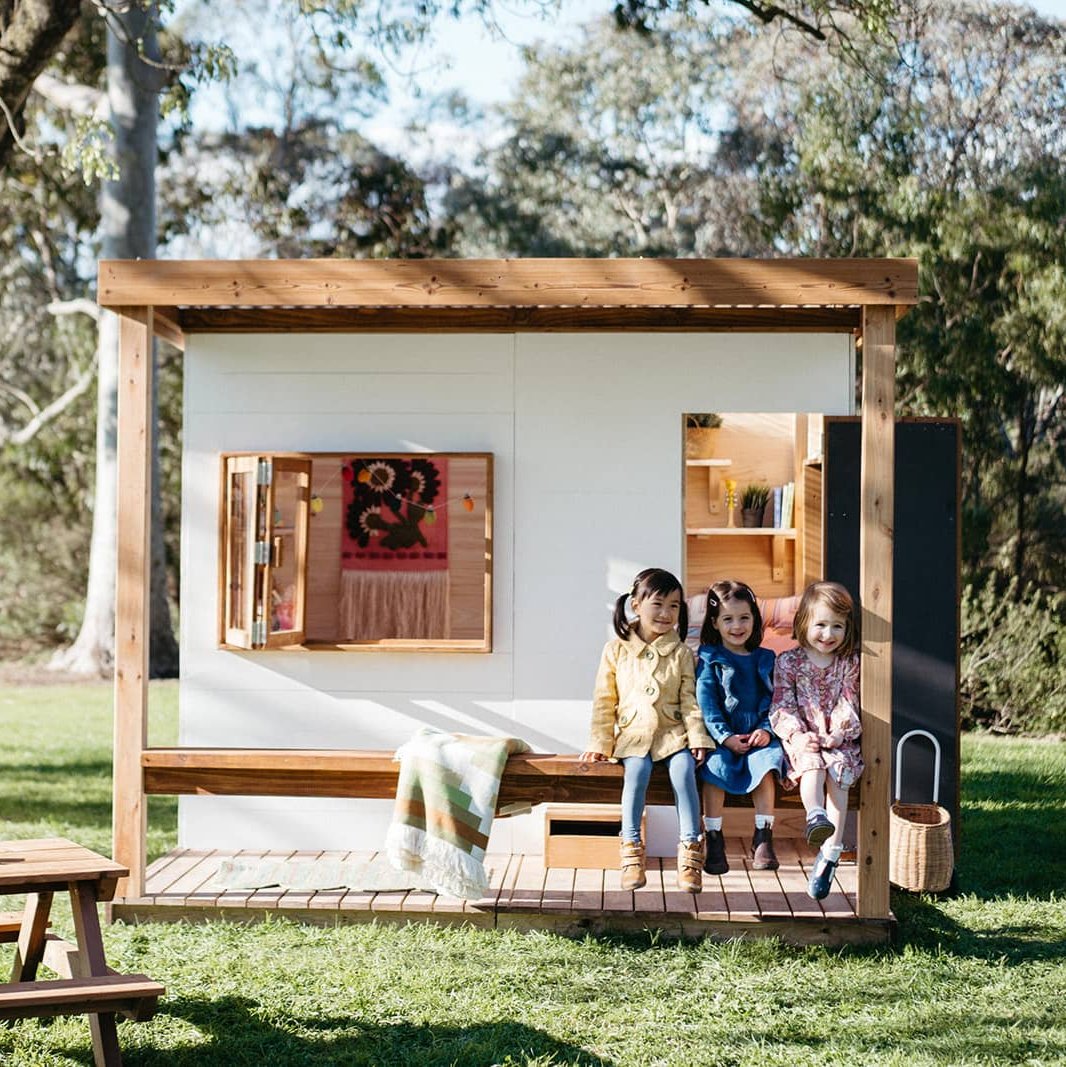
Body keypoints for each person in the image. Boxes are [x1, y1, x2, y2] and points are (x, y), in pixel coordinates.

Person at [581, 568, 712, 893]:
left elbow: (690, 702)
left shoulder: (681, 653)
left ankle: (690, 853)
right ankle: (631, 854)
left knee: (684, 773)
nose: (666, 613)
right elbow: (604, 701)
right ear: (636, 605)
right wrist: (601, 742)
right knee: (636, 774)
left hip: (672, 736)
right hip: (634, 737)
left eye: (674, 606)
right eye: (658, 604)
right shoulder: (616, 650)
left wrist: (697, 738)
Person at [769, 580, 863, 900]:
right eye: (820, 625)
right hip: (803, 739)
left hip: (838, 740)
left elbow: (849, 702)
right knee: (812, 766)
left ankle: (831, 853)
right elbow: (783, 703)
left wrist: (837, 733)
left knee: (838, 773)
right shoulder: (789, 663)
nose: (828, 634)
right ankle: (815, 816)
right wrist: (797, 734)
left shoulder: (848, 663)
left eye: (837, 626)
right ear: (804, 623)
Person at [695, 579, 789, 876]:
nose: (737, 626)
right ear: (715, 623)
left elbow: (776, 699)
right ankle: (714, 837)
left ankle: (763, 835)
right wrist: (725, 736)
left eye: (744, 617)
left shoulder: (765, 659)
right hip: (723, 736)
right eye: (728, 619)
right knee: (714, 768)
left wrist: (767, 730)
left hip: (759, 733)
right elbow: (706, 703)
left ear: (754, 619)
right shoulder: (710, 659)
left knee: (766, 765)